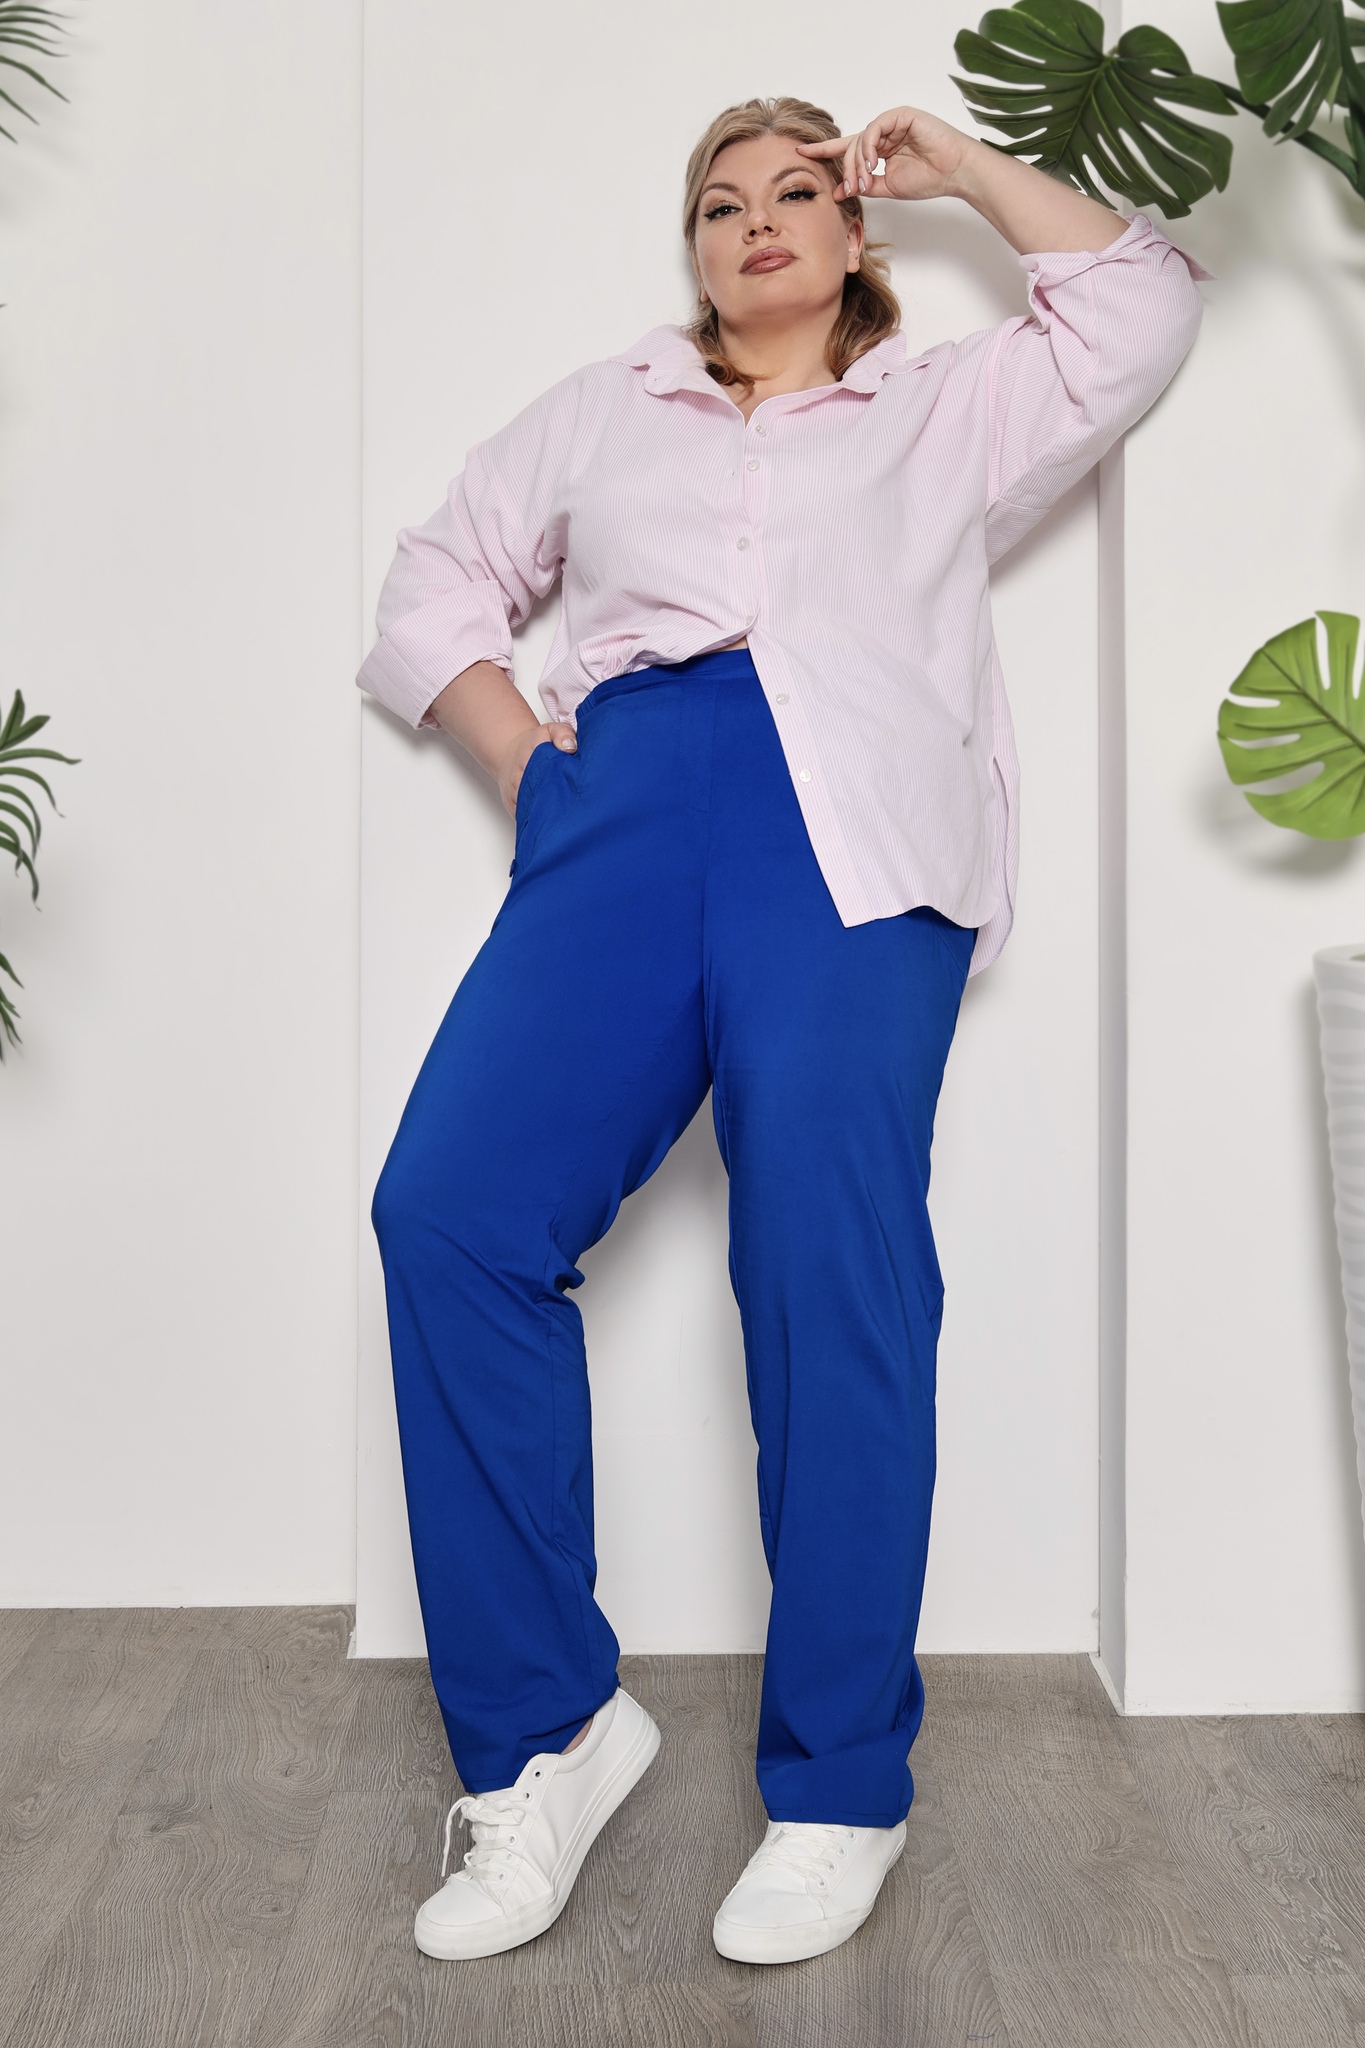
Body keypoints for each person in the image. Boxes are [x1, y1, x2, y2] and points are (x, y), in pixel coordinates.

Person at [357, 95, 1209, 1966]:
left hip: (850, 836)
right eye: (719, 202)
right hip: (620, 807)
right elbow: (434, 581)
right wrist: (524, 767)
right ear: (692, 249)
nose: (755, 221)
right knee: (450, 1214)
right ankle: (545, 1739)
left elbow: (1144, 305)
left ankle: (837, 1789)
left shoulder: (944, 407)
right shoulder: (608, 409)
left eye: (797, 192)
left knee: (827, 1268)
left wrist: (966, 170)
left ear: (850, 232)